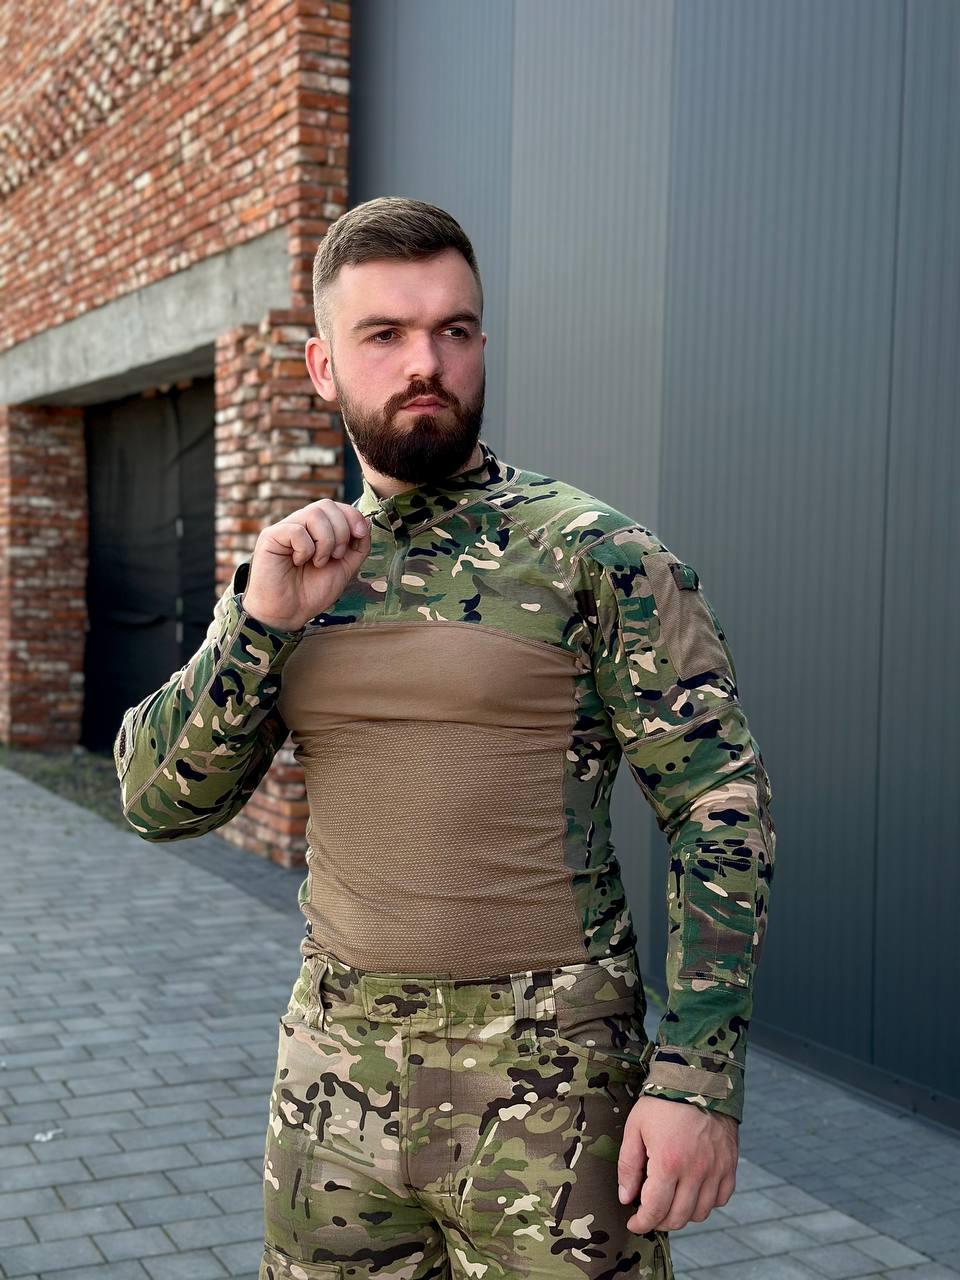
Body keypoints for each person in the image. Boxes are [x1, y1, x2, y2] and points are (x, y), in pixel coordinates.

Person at [114, 196, 776, 1280]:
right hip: (331, 1090)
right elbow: (155, 801)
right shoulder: (295, 574)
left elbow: (720, 807)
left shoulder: (595, 554)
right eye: (385, 333)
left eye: (453, 330)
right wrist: (257, 625)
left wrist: (697, 1076)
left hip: (555, 1092)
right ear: (324, 367)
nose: (427, 362)